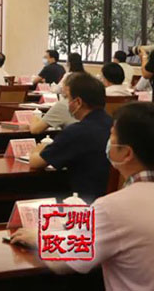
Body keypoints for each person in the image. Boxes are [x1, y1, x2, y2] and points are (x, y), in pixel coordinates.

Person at [11, 102, 154, 290]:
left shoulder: (113, 208)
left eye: (112, 135)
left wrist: (39, 239)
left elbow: (65, 262)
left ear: (127, 153)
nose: (108, 141)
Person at [28, 73, 112, 202]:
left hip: (83, 200)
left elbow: (36, 162)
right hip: (110, 198)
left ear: (78, 102)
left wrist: (37, 150)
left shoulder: (76, 132)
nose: (67, 103)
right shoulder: (116, 125)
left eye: (68, 98)